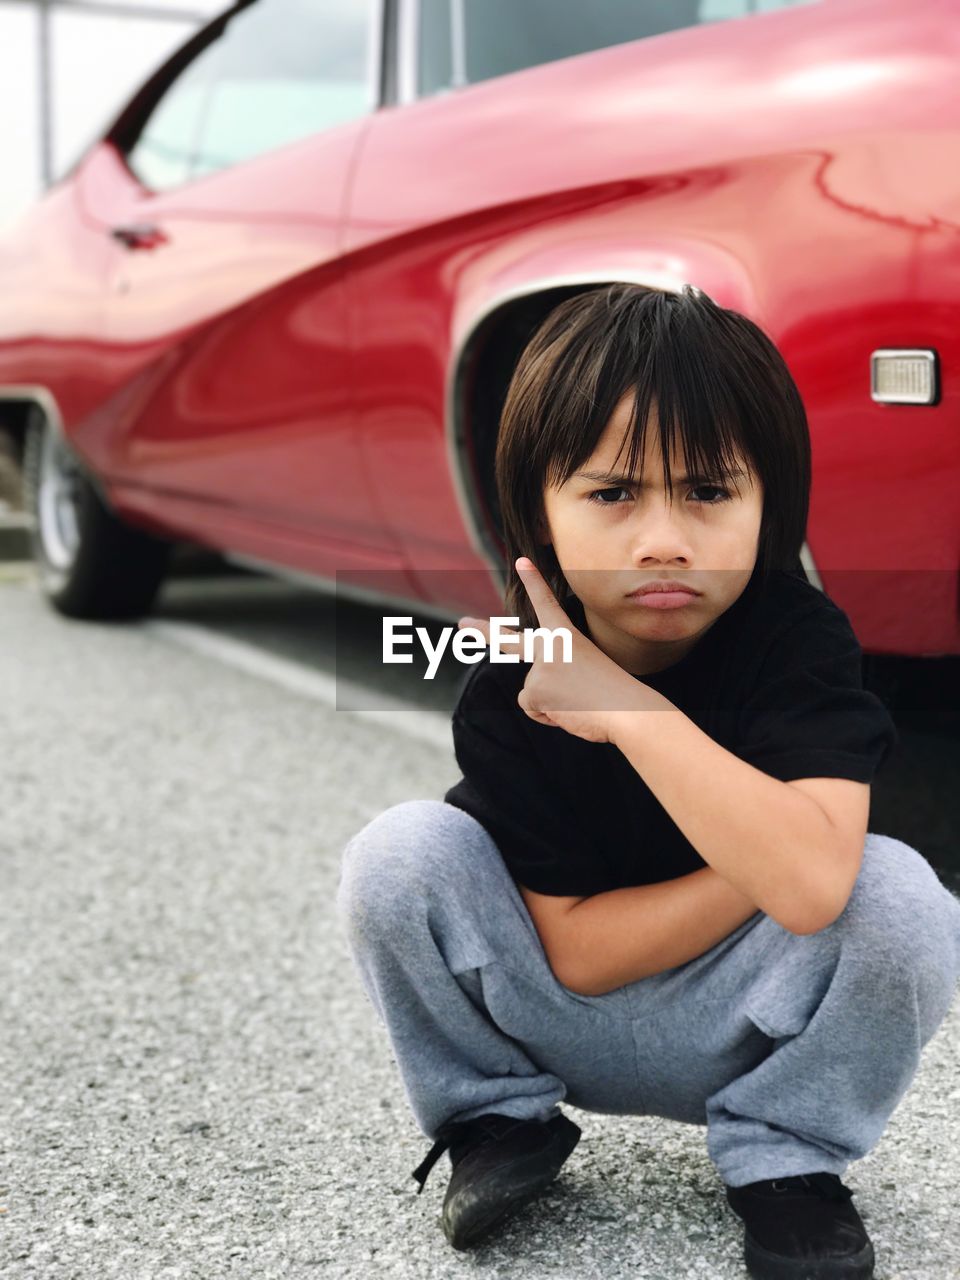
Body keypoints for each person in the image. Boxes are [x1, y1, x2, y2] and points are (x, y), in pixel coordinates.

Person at [336, 283, 960, 1279]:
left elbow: (816, 890)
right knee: (398, 854)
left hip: (751, 1021)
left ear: (771, 505)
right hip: (558, 1014)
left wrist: (631, 711)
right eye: (613, 492)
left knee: (905, 901)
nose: (662, 537)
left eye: (710, 491)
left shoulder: (801, 641)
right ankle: (497, 1119)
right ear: (536, 508)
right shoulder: (516, 678)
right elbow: (579, 953)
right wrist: (761, 851)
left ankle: (786, 1155)